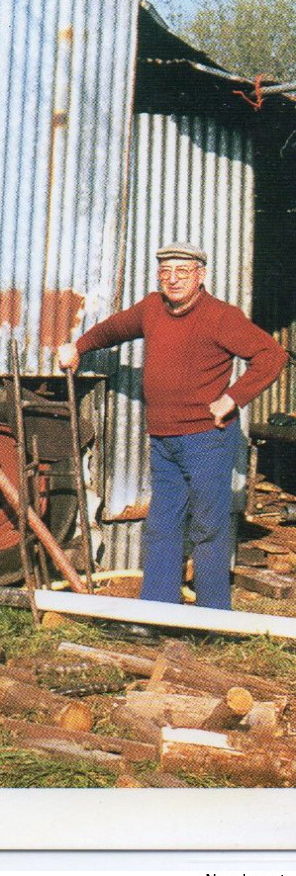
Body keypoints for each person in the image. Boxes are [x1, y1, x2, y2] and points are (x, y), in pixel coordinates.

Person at [57, 243, 288, 615]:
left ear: (200, 275)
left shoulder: (221, 317)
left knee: (208, 527)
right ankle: (157, 612)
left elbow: (271, 356)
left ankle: (214, 619)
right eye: (166, 272)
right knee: (162, 527)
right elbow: (114, 329)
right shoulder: (152, 308)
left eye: (183, 271)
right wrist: (79, 346)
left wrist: (232, 398)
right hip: (163, 439)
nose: (173, 279)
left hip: (206, 440)